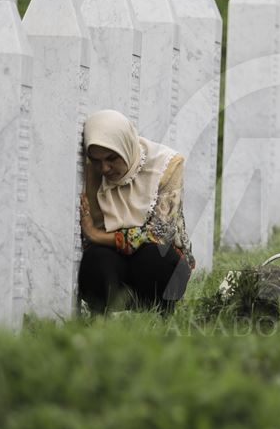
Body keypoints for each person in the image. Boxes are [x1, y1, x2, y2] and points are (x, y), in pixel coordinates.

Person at [77, 110, 194, 314]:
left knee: (154, 257)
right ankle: (110, 312)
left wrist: (97, 235)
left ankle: (156, 311)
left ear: (126, 147)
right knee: (96, 260)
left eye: (112, 158)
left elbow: (159, 233)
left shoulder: (167, 165)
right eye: (96, 160)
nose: (104, 168)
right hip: (114, 260)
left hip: (156, 258)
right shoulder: (92, 172)